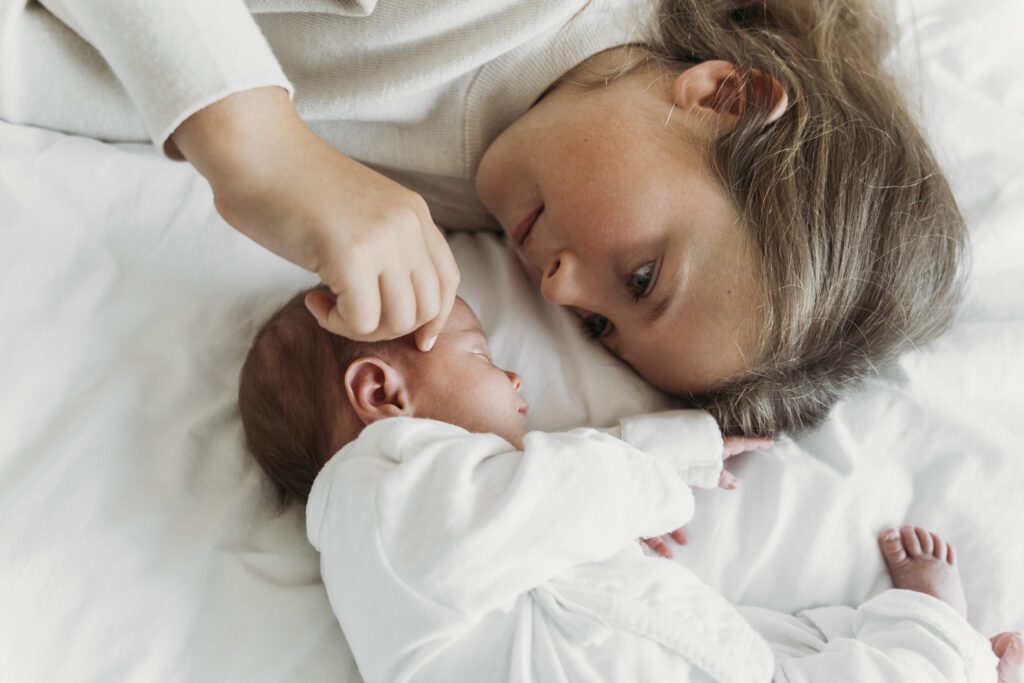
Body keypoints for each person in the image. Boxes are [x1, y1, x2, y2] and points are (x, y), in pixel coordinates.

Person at [1, 0, 968, 435]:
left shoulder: (479, 194)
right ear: (719, 96)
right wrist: (259, 143)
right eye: (641, 278)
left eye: (600, 329)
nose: (557, 287)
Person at [236, 288, 1020, 683]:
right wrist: (664, 468)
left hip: (689, 653)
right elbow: (571, 486)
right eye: (479, 355)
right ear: (381, 394)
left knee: (817, 648)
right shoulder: (376, 503)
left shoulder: (439, 519)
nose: (512, 375)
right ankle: (933, 633)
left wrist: (623, 515)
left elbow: (540, 512)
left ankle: (940, 655)